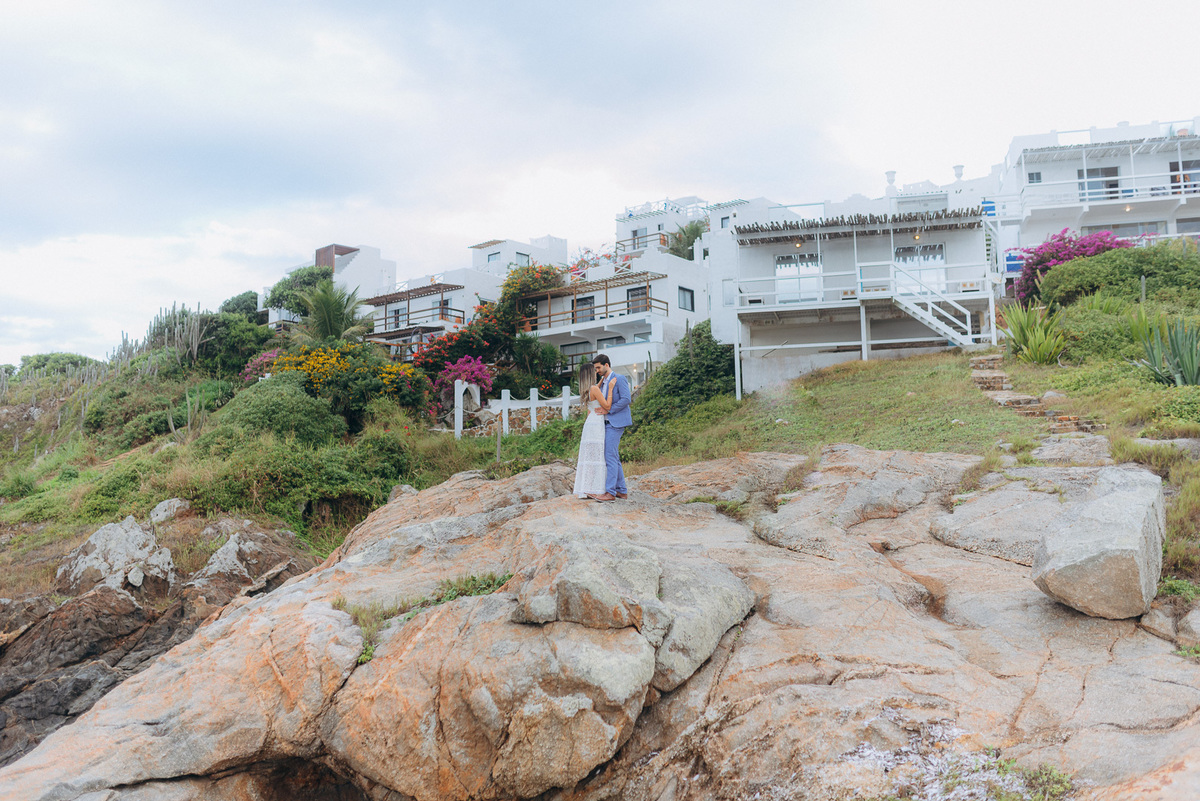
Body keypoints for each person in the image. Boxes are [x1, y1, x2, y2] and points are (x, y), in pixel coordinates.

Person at [588, 354, 631, 502]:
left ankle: (610, 493)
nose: (597, 370)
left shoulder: (619, 379)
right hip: (605, 424)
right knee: (613, 457)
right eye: (595, 368)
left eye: (598, 367)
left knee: (610, 457)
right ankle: (622, 491)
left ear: (606, 365)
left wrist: (609, 410)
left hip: (616, 423)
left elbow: (626, 399)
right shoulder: (603, 382)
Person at [572, 363, 611, 498]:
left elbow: (593, 398)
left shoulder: (586, 390)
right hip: (597, 422)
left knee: (589, 457)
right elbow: (606, 405)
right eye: (594, 371)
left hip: (589, 423)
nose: (596, 372)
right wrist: (610, 388)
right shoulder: (594, 389)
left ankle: (587, 488)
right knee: (598, 456)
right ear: (590, 374)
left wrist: (601, 381)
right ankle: (596, 489)